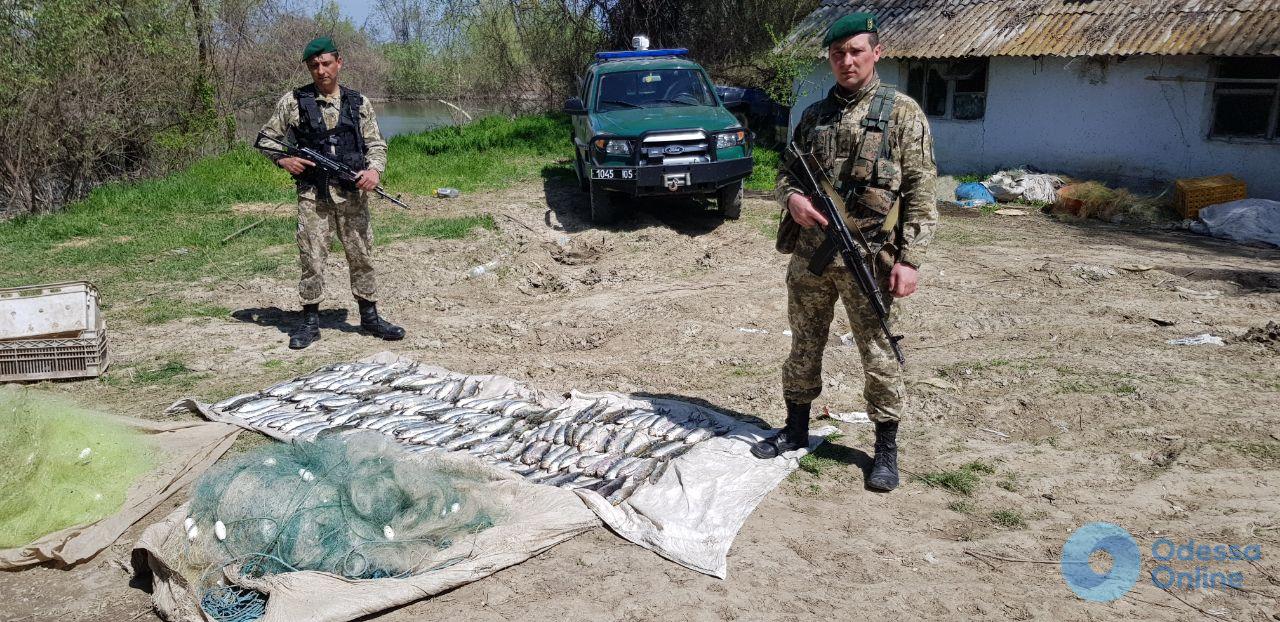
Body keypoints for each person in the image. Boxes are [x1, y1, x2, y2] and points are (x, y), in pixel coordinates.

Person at [752, 13, 939, 493]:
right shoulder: (814, 116)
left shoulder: (901, 113)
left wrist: (910, 260)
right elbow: (786, 174)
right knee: (803, 345)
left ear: (876, 52)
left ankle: (885, 451)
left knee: (879, 354)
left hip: (869, 260)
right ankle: (795, 429)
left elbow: (920, 189)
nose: (846, 60)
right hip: (812, 258)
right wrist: (790, 199)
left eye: (856, 51)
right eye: (838, 53)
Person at [257, 36, 405, 350]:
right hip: (313, 195)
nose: (321, 70)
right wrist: (284, 159)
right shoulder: (293, 102)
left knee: (361, 254)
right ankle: (310, 322)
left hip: (352, 195)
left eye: (326, 63)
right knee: (311, 257)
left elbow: (376, 144)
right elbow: (267, 138)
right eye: (314, 66)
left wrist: (373, 171)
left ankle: (369, 316)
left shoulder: (358, 102)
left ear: (339, 63)